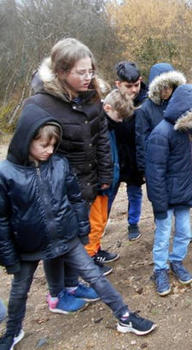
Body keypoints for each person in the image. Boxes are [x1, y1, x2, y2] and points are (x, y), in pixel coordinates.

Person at [0, 106, 156, 349]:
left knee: (95, 275)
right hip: (28, 245)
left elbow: (75, 199)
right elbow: (2, 219)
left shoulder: (60, 164)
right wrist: (9, 256)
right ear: (26, 140)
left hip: (66, 236)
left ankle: (125, 316)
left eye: (53, 145)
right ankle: (12, 332)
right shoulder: (7, 173)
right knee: (19, 291)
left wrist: (82, 230)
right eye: (44, 145)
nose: (50, 150)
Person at [25, 38, 116, 312]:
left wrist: (105, 173)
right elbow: (27, 148)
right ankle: (56, 295)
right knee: (57, 243)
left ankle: (72, 284)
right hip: (54, 189)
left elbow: (101, 138)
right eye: (81, 72)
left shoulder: (91, 97)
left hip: (85, 184)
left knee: (76, 237)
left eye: (91, 71)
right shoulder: (41, 104)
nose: (89, 77)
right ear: (62, 71)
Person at [145, 84, 192, 296]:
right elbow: (154, 173)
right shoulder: (161, 134)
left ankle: (176, 261)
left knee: (185, 232)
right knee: (162, 235)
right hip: (165, 197)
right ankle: (160, 269)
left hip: (182, 194)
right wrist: (159, 205)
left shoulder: (189, 130)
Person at [108, 61, 147, 241]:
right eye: (128, 86)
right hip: (114, 159)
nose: (133, 90)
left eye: (136, 85)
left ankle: (133, 223)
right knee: (108, 195)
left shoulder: (145, 102)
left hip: (134, 158)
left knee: (134, 192)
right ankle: (100, 225)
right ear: (118, 84)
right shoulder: (110, 103)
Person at [134, 62, 186, 174]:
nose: (166, 90)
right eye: (162, 87)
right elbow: (141, 141)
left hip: (178, 163)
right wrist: (144, 169)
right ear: (155, 87)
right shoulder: (145, 109)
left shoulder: (179, 104)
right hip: (156, 164)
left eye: (170, 86)